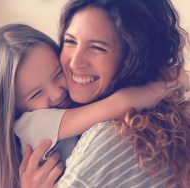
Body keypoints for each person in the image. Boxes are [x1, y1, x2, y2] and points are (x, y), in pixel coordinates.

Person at [0, 23, 183, 188]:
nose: (56, 93)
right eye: (36, 93)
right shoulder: (31, 124)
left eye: (57, 74)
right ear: (12, 108)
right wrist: (178, 81)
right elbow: (120, 103)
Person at [20, 0, 190, 187]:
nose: (75, 63)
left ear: (132, 58)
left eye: (97, 48)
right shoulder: (167, 117)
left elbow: (121, 102)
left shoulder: (107, 140)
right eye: (70, 41)